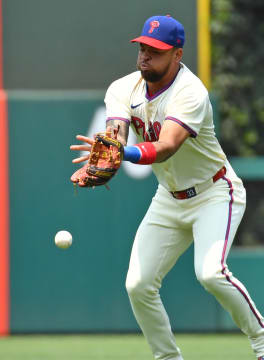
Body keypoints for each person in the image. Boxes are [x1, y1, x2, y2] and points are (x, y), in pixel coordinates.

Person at [70, 15, 264, 360]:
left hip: (215, 193)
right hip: (169, 199)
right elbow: (116, 137)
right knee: (138, 285)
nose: (145, 56)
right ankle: (168, 358)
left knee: (211, 274)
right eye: (143, 48)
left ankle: (261, 340)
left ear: (177, 54)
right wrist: (106, 157)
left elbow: (166, 146)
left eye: (155, 51)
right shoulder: (121, 88)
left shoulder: (191, 92)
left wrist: (123, 153)